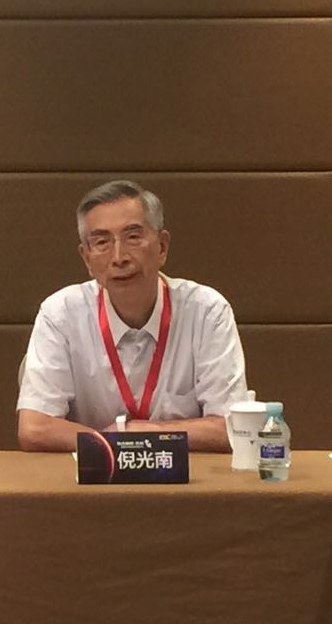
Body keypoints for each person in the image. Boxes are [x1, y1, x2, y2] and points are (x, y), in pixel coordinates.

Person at [17, 180, 247, 452]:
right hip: (92, 476)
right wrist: (117, 444)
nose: (119, 257)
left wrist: (145, 433)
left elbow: (233, 428)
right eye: (102, 242)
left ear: (162, 247)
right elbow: (34, 428)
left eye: (133, 237)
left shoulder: (207, 312)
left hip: (186, 477)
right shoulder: (60, 314)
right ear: (87, 259)